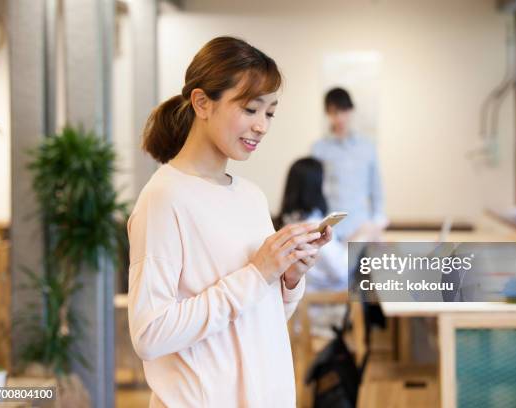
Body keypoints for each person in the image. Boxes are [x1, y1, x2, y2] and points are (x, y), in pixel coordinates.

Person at [126, 37, 332, 407]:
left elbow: (258, 319)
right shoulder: (163, 199)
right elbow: (150, 333)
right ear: (202, 103)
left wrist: (288, 278)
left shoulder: (251, 197)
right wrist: (256, 274)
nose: (262, 126)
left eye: (269, 113)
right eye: (251, 109)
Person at [278, 157, 376, 337]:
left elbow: (330, 256)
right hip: (322, 307)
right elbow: (341, 269)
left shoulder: (289, 222)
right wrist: (364, 236)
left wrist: (351, 239)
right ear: (314, 187)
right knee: (368, 290)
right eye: (326, 181)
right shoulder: (312, 226)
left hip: (303, 306)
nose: (329, 188)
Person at [312, 87, 388, 241]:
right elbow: (314, 190)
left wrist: (377, 221)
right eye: (334, 112)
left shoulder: (367, 147)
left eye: (343, 111)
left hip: (362, 227)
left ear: (351, 111)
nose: (339, 118)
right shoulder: (319, 149)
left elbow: (376, 189)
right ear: (327, 113)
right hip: (332, 230)